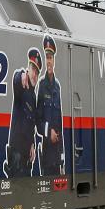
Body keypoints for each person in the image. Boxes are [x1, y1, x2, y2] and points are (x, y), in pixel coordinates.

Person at [3, 48, 42, 177]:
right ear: (28, 69)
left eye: (37, 72)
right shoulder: (22, 85)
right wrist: (21, 75)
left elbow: (31, 125)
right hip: (16, 158)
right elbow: (16, 80)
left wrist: (32, 144)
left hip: (26, 160)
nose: (35, 75)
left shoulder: (33, 96)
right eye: (33, 70)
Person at [36, 35, 64, 175]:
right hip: (47, 151)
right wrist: (49, 132)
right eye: (46, 57)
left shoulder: (57, 87)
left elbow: (60, 121)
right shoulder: (42, 85)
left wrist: (63, 155)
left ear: (54, 60)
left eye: (50, 57)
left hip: (57, 153)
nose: (48, 61)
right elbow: (38, 119)